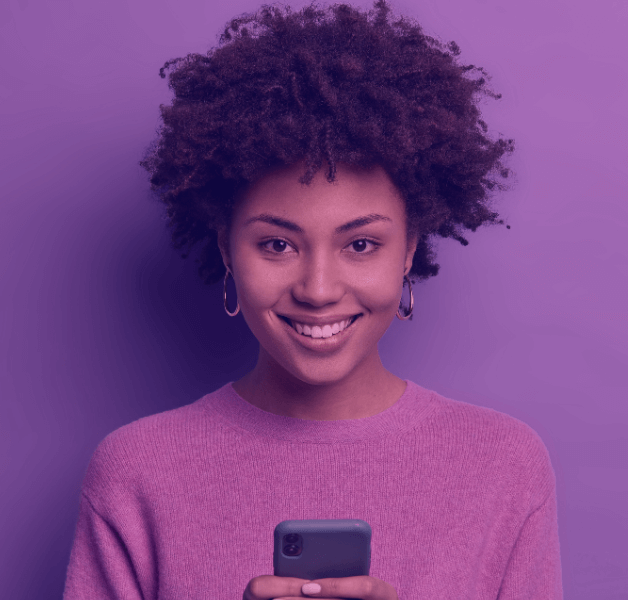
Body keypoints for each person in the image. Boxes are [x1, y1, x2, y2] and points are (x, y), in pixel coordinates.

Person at [62, 2, 562, 598]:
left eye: (361, 243)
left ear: (408, 251)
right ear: (227, 248)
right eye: (277, 243)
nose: (318, 290)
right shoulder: (136, 474)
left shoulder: (502, 466)